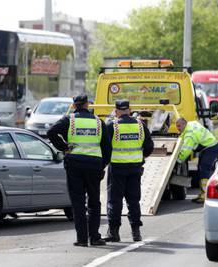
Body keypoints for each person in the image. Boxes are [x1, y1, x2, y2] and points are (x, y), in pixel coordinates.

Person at [47, 94, 111, 247]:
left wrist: (64, 147)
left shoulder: (69, 120)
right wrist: (102, 166)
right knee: (94, 202)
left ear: (74, 106)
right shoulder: (98, 122)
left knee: (78, 202)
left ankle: (82, 239)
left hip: (74, 164)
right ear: (88, 105)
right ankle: (94, 237)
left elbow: (51, 132)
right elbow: (107, 148)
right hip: (93, 165)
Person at [106, 100, 154, 242]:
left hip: (117, 168)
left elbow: (106, 147)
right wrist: (140, 157)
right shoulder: (140, 125)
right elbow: (149, 146)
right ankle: (136, 232)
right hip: (135, 168)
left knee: (115, 201)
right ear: (129, 109)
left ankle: (114, 233)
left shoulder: (112, 126)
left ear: (116, 111)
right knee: (133, 201)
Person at [175, 118, 218, 204]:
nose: (178, 128)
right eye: (177, 126)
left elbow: (186, 151)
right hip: (208, 147)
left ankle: (206, 195)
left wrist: (178, 160)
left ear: (184, 124)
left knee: (204, 171)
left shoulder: (190, 134)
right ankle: (203, 193)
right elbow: (183, 135)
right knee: (200, 169)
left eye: (179, 126)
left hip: (210, 148)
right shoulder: (191, 124)